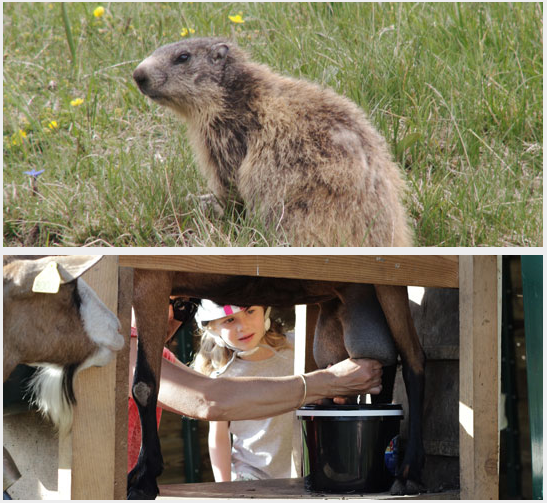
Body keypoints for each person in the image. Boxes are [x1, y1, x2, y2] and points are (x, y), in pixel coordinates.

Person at [128, 298, 384, 469]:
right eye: (229, 320)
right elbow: (208, 400)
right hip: (251, 474)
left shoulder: (160, 356)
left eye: (184, 308)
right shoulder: (127, 349)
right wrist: (329, 382)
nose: (172, 318)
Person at [192, 301, 295, 481]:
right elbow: (219, 437)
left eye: (250, 311)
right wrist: (224, 488)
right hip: (250, 473)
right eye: (230, 319)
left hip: (300, 468)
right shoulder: (222, 375)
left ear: (265, 310)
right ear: (213, 328)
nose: (243, 326)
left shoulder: (295, 348)